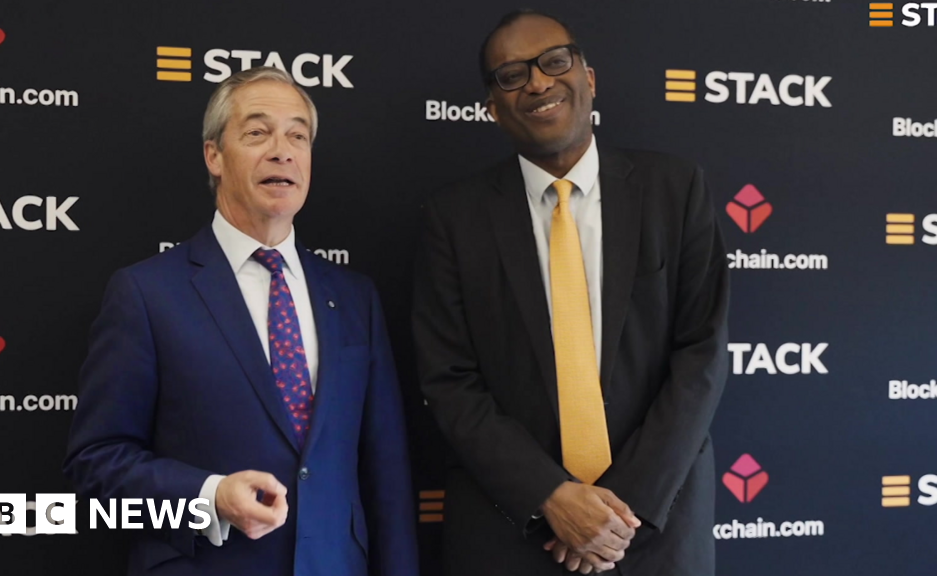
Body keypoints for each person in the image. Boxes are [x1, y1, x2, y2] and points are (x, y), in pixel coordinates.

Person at [64, 66, 418, 576]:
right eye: (257, 133)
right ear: (214, 155)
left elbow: (387, 474)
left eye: (298, 135)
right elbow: (96, 461)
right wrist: (209, 496)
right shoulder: (146, 293)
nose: (282, 151)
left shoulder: (354, 297)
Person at [413, 10, 729, 576]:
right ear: (492, 107)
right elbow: (449, 379)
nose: (538, 82)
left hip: (655, 528)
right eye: (512, 75)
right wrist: (551, 497)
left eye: (555, 62)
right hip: (512, 531)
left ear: (589, 78)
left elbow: (700, 354)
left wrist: (617, 511)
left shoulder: (675, 190)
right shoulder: (453, 218)